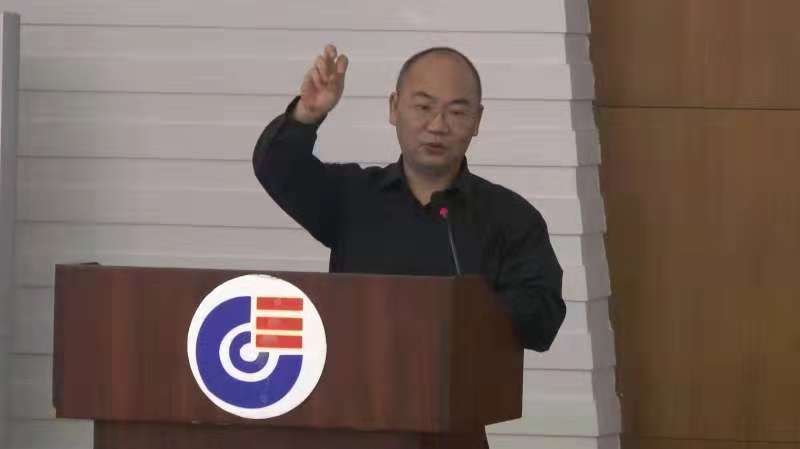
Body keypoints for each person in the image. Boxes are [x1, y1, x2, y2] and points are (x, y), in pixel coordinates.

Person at [253, 44, 566, 446]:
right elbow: (277, 168)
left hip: (455, 428)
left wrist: (457, 315)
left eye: (456, 112)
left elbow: (542, 316)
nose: (437, 125)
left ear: (477, 121)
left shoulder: (509, 217)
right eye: (423, 107)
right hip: (356, 422)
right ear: (394, 108)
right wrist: (307, 114)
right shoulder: (352, 198)